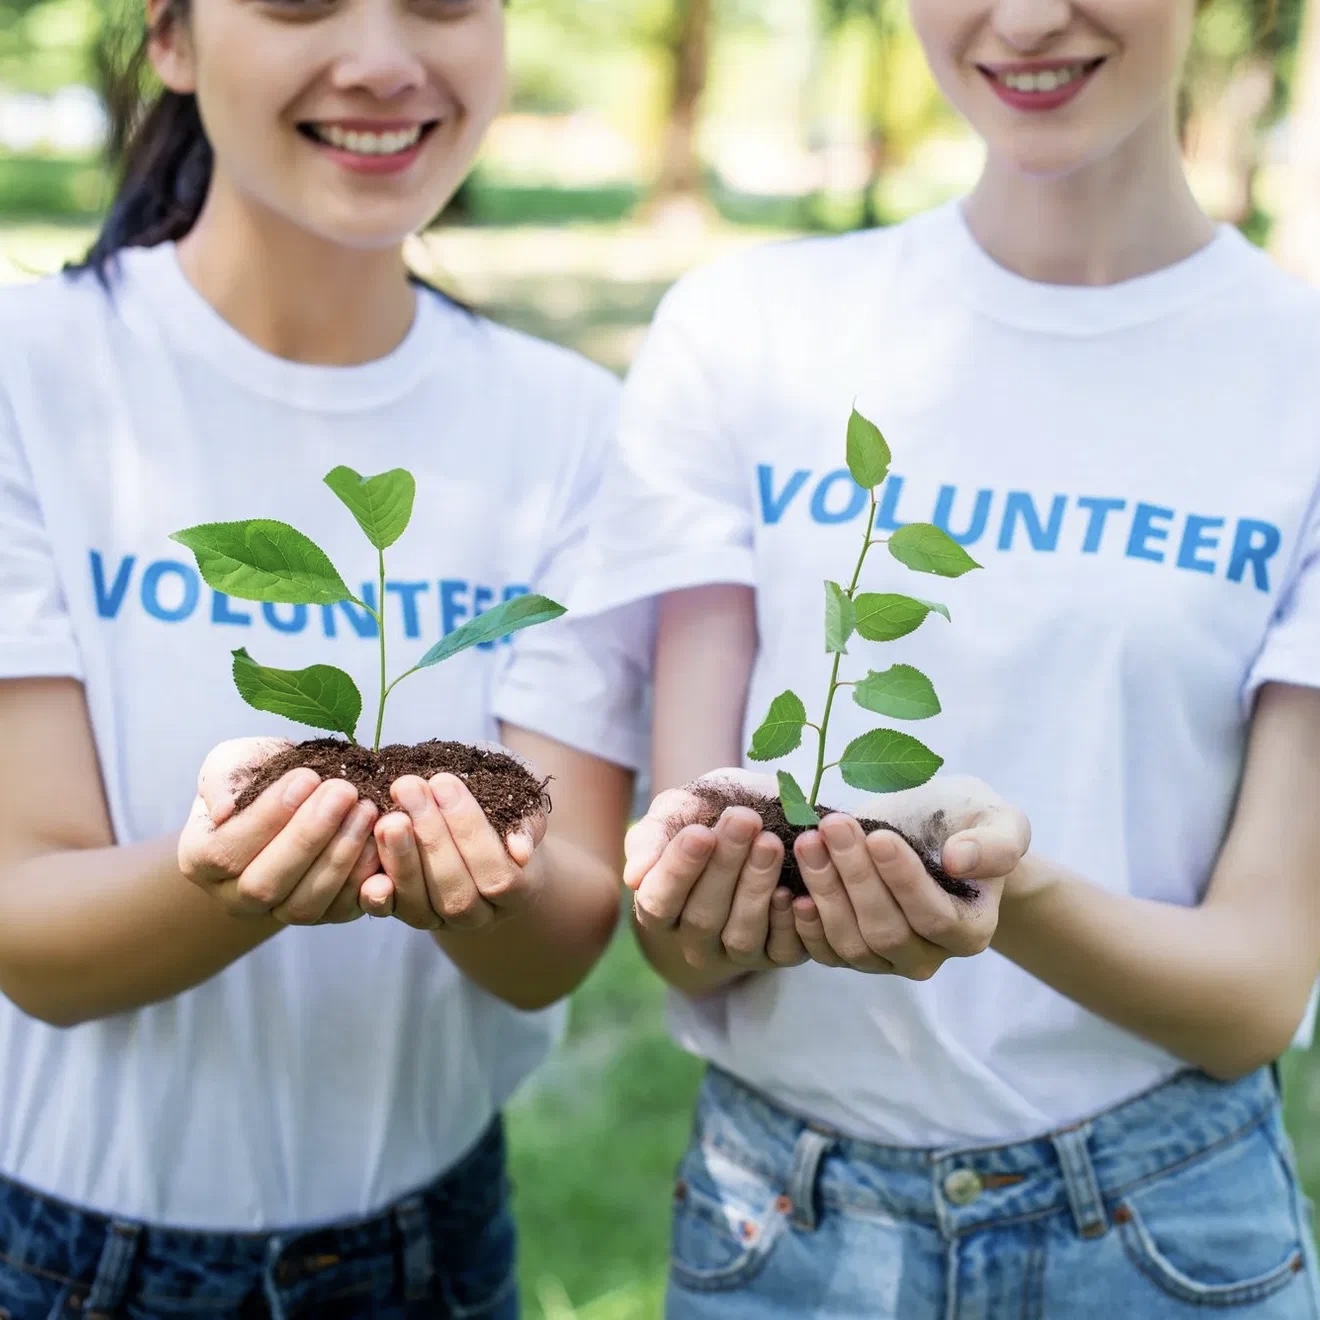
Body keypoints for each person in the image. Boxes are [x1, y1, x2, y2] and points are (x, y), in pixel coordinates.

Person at [553, 0, 1320, 1315]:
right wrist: (719, 886)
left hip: (1165, 1242)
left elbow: (1255, 988)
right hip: (781, 1237)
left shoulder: (1294, 377)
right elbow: (681, 937)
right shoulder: (745, 334)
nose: (1025, 19)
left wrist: (1003, 896)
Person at [0, 0, 648, 1314]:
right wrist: (236, 879)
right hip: (61, 1260)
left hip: (428, 1257)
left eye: (443, 2)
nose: (383, 59)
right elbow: (29, 925)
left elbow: (568, 920)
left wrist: (474, 881)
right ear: (169, 38)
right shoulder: (30, 383)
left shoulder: (575, 427)